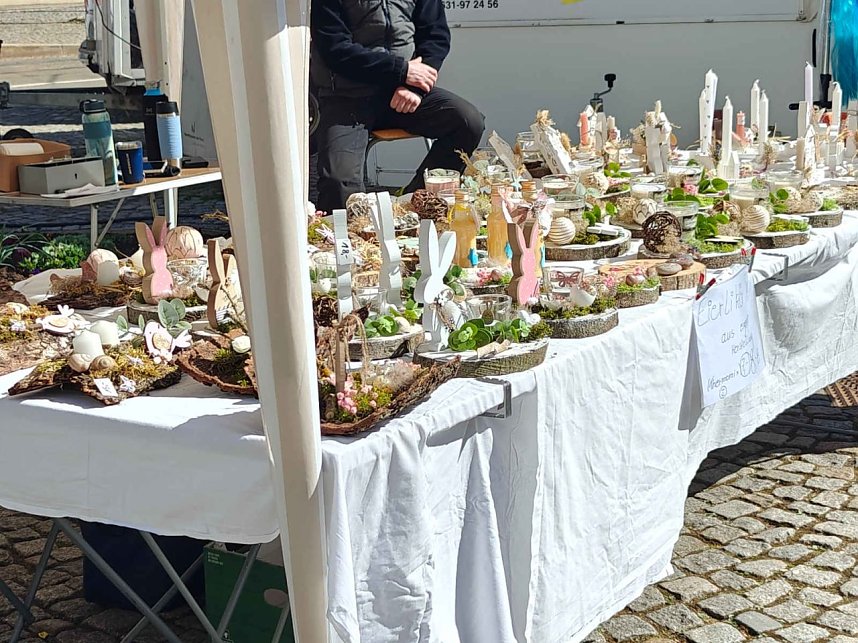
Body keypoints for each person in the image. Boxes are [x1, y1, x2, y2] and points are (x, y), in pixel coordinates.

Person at [310, 0, 485, 212]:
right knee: (339, 183)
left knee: (468, 122)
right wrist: (401, 71)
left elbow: (435, 37)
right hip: (345, 97)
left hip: (401, 93)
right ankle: (348, 239)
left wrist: (415, 87)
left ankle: (415, 204)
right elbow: (335, 49)